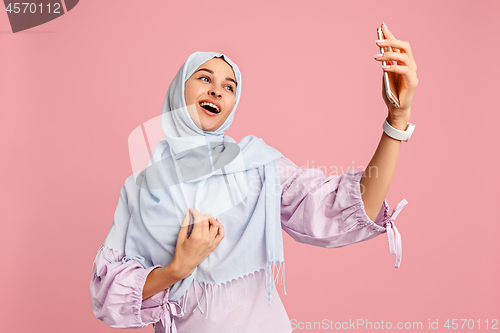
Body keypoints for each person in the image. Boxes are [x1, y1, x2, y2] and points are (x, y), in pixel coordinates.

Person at [90, 22, 418, 333]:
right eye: (204, 78)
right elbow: (109, 294)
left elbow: (340, 209)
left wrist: (396, 121)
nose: (217, 91)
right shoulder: (140, 188)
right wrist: (178, 268)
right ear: (179, 88)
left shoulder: (257, 166)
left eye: (229, 86)